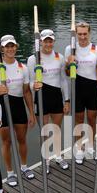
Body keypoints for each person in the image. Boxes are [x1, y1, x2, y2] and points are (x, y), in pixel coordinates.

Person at [0, 35, 36, 185]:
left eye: (12, 46)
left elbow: (27, 92)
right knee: (6, 142)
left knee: (22, 140)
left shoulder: (23, 68)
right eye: (7, 46)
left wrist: (32, 113)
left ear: (16, 47)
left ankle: (24, 167)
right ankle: (10, 172)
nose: (10, 49)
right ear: (1, 49)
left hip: (19, 106)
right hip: (2, 107)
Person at [27, 29, 70, 173]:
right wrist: (34, 86)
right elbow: (30, 83)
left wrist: (67, 100)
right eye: (45, 41)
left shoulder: (60, 57)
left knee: (56, 129)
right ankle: (46, 159)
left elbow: (64, 80)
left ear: (53, 42)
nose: (48, 43)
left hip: (57, 97)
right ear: (40, 42)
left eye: (50, 41)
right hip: (41, 97)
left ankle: (58, 156)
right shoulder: (34, 59)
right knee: (44, 131)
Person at [65, 21, 97, 165]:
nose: (82, 37)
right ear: (76, 34)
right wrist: (69, 63)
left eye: (84, 34)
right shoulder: (70, 49)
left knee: (92, 120)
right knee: (79, 121)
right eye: (79, 34)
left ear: (89, 33)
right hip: (77, 89)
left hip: (92, 89)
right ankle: (79, 148)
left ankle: (91, 146)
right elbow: (67, 73)